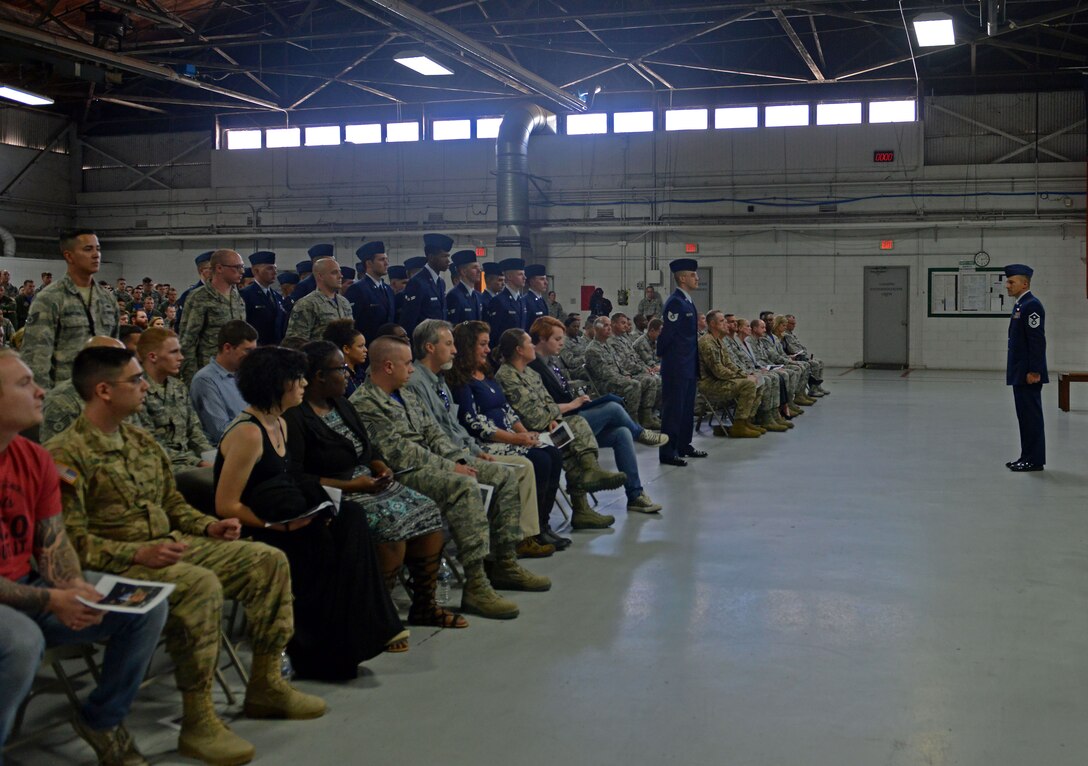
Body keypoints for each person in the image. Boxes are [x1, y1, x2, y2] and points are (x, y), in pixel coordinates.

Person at [45, 346, 325, 765]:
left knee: (266, 561)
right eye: (135, 380)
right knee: (200, 586)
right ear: (103, 390)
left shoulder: (140, 442)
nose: (145, 387)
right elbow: (70, 542)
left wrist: (208, 526)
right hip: (113, 563)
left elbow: (172, 505)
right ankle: (199, 718)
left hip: (169, 545)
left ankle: (265, 685)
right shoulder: (64, 455)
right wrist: (141, 551)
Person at [0, 348, 167, 765]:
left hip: (27, 590)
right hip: (19, 605)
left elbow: (52, 544)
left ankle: (102, 719)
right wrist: (52, 600)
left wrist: (73, 585)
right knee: (23, 641)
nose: (40, 392)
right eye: (24, 384)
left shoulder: (34, 457)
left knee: (142, 607)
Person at [215, 345, 409, 679]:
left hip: (287, 513)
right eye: (297, 378)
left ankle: (355, 634)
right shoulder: (248, 433)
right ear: (277, 384)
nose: (304, 384)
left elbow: (290, 479)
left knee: (351, 519)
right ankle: (320, 650)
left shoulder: (280, 423)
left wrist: (323, 505)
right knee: (321, 539)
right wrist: (277, 526)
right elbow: (226, 505)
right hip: (260, 524)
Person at [351, 336, 550, 620]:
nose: (411, 369)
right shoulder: (365, 402)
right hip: (406, 474)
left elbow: (434, 432)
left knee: (503, 476)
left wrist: (459, 458)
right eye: (407, 364)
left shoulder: (405, 392)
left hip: (436, 462)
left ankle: (503, 563)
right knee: (463, 486)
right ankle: (476, 584)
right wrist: (450, 467)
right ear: (387, 366)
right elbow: (399, 454)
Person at [283, 341, 462, 632]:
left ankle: (425, 606)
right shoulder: (295, 417)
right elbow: (298, 476)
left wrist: (380, 466)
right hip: (335, 491)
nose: (348, 374)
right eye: (341, 369)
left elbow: (367, 448)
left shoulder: (341, 403)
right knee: (391, 526)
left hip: (367, 481)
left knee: (428, 512)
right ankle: (376, 616)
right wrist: (353, 485)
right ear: (319, 376)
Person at [403, 320, 551, 556]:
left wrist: (474, 450)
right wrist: (468, 455)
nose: (454, 350)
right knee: (521, 467)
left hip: (466, 449)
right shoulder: (418, 384)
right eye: (449, 344)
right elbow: (436, 433)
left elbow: (453, 426)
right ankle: (505, 548)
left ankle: (526, 535)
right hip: (449, 457)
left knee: (544, 455)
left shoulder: (439, 380)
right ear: (430, 348)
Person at [445, 321, 565, 554]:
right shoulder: (461, 381)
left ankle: (542, 523)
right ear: (468, 347)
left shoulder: (486, 375)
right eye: (482, 344)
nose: (488, 350)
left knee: (552, 453)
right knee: (539, 460)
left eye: (488, 344)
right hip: (487, 443)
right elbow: (473, 422)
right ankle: (528, 533)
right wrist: (515, 439)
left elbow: (506, 409)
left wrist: (524, 433)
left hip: (509, 437)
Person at [495, 328, 634, 526]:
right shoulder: (507, 376)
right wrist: (552, 417)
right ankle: (585, 491)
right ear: (518, 350)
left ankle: (587, 484)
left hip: (549, 428)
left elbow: (548, 403)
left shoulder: (531, 373)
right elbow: (532, 417)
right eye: (529, 344)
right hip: (530, 434)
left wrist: (554, 418)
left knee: (571, 434)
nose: (533, 346)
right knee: (575, 428)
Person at [528, 316, 666, 515]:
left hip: (572, 423)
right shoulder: (534, 368)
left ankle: (635, 495)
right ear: (541, 339)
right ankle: (640, 433)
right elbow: (540, 410)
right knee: (614, 408)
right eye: (557, 339)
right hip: (557, 434)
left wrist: (578, 402)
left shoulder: (551, 362)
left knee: (621, 433)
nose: (561, 343)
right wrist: (572, 404)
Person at [22, 229, 120, 389]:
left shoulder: (107, 299)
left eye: (98, 249)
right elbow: (35, 358)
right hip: (64, 398)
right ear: (69, 256)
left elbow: (115, 351)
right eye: (88, 249)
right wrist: (43, 403)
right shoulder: (50, 298)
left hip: (101, 397)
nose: (96, 255)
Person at [136, 327, 215, 471]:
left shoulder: (178, 387)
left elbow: (195, 432)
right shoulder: (136, 391)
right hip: (159, 465)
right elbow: (150, 444)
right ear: (153, 357)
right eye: (174, 352)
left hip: (189, 462)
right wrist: (197, 463)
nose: (181, 357)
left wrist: (212, 457)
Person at [657, 259, 703, 466]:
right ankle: (668, 452)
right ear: (682, 278)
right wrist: (667, 359)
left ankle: (684, 445)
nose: (697, 278)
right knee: (673, 410)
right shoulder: (675, 302)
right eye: (693, 275)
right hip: (676, 365)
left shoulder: (687, 301)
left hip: (688, 364)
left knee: (686, 409)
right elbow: (667, 335)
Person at [178, 249, 246, 384]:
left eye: (242, 267)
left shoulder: (237, 298)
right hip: (208, 373)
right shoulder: (199, 297)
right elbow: (187, 341)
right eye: (237, 267)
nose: (242, 271)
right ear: (219, 268)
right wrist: (192, 379)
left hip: (233, 374)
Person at [1004, 263, 1048, 472]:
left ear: (1024, 283)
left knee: (1031, 417)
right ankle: (1026, 456)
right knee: (1025, 417)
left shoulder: (1032, 305)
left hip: (1028, 373)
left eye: (1011, 282)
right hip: (1020, 371)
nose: (1007, 285)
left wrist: (1034, 371)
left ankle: (1034, 460)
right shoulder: (1021, 305)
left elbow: (1037, 341)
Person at [698, 311, 769, 437]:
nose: (726, 323)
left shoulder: (719, 341)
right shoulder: (707, 342)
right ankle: (739, 426)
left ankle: (747, 421)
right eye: (722, 321)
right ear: (713, 324)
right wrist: (744, 377)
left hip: (720, 380)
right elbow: (719, 371)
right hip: (710, 384)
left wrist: (745, 374)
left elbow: (729, 364)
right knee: (748, 385)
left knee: (759, 380)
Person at [585, 316, 660, 428]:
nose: (609, 328)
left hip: (618, 379)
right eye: (606, 325)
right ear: (596, 328)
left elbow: (619, 365)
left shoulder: (607, 346)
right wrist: (624, 378)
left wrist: (625, 374)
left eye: (610, 325)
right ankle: (632, 422)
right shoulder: (593, 350)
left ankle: (646, 417)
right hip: (605, 384)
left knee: (649, 380)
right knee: (634, 384)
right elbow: (605, 374)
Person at [190, 320, 257, 444]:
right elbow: (220, 431)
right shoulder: (205, 380)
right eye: (248, 351)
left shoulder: (246, 375)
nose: (252, 357)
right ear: (227, 348)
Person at [284, 257, 352, 341]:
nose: (340, 276)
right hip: (319, 353)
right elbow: (295, 341)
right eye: (334, 273)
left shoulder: (344, 302)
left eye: (340, 272)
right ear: (320, 276)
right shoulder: (307, 304)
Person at [399, 233, 453, 336]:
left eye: (448, 256)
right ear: (431, 257)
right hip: (423, 341)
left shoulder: (441, 282)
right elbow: (409, 318)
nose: (448, 261)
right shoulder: (417, 282)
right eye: (444, 256)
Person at [345, 241, 396, 344]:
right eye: (381, 260)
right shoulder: (357, 289)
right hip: (368, 346)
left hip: (387, 346)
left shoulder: (388, 289)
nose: (386, 263)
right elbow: (354, 324)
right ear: (369, 263)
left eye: (386, 259)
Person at [240, 250, 287, 345]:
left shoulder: (277, 297)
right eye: (269, 268)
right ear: (255, 270)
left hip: (275, 349)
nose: (274, 272)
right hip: (256, 349)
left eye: (275, 268)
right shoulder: (245, 295)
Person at [483, 258, 527, 348]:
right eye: (520, 274)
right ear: (509, 277)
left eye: (524, 274)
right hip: (504, 351)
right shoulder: (499, 301)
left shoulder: (521, 300)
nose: (524, 277)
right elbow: (494, 333)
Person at [781, 314, 829, 396]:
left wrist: (804, 353)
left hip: (801, 355)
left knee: (820, 362)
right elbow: (793, 349)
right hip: (795, 357)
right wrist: (804, 354)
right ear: (786, 323)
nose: (794, 325)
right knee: (815, 364)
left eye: (794, 323)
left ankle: (817, 386)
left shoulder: (792, 334)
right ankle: (812, 390)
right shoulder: (785, 335)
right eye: (792, 324)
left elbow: (801, 347)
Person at [322, 318, 368, 397]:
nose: (366, 350)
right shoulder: (338, 377)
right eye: (360, 346)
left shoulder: (361, 373)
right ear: (346, 349)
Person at [446, 249, 483, 324]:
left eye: (479, 267)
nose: (479, 270)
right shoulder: (454, 296)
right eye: (474, 267)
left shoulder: (478, 295)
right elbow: (453, 324)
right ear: (463, 272)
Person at [522, 265, 549, 330]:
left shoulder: (541, 299)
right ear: (532, 281)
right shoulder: (525, 301)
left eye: (546, 279)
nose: (546, 282)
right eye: (542, 279)